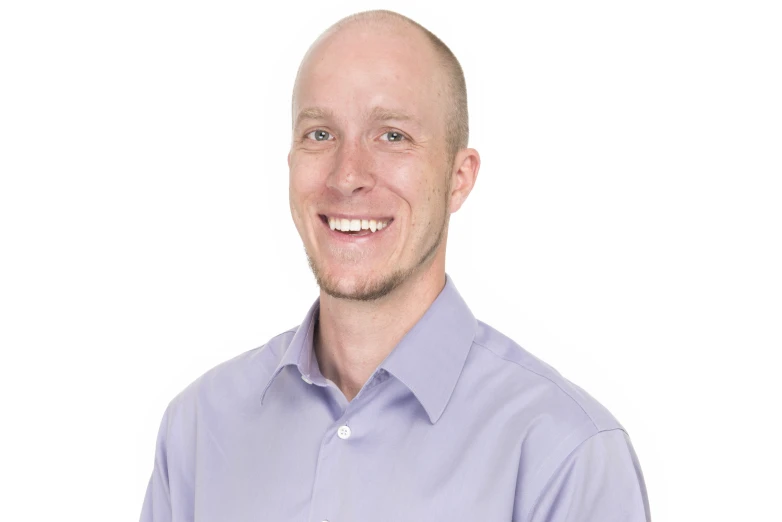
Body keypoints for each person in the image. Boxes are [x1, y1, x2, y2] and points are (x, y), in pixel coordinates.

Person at [140, 9, 651, 522]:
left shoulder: (564, 456)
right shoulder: (200, 429)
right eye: (320, 134)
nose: (347, 176)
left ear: (459, 178)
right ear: (290, 162)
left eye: (392, 136)